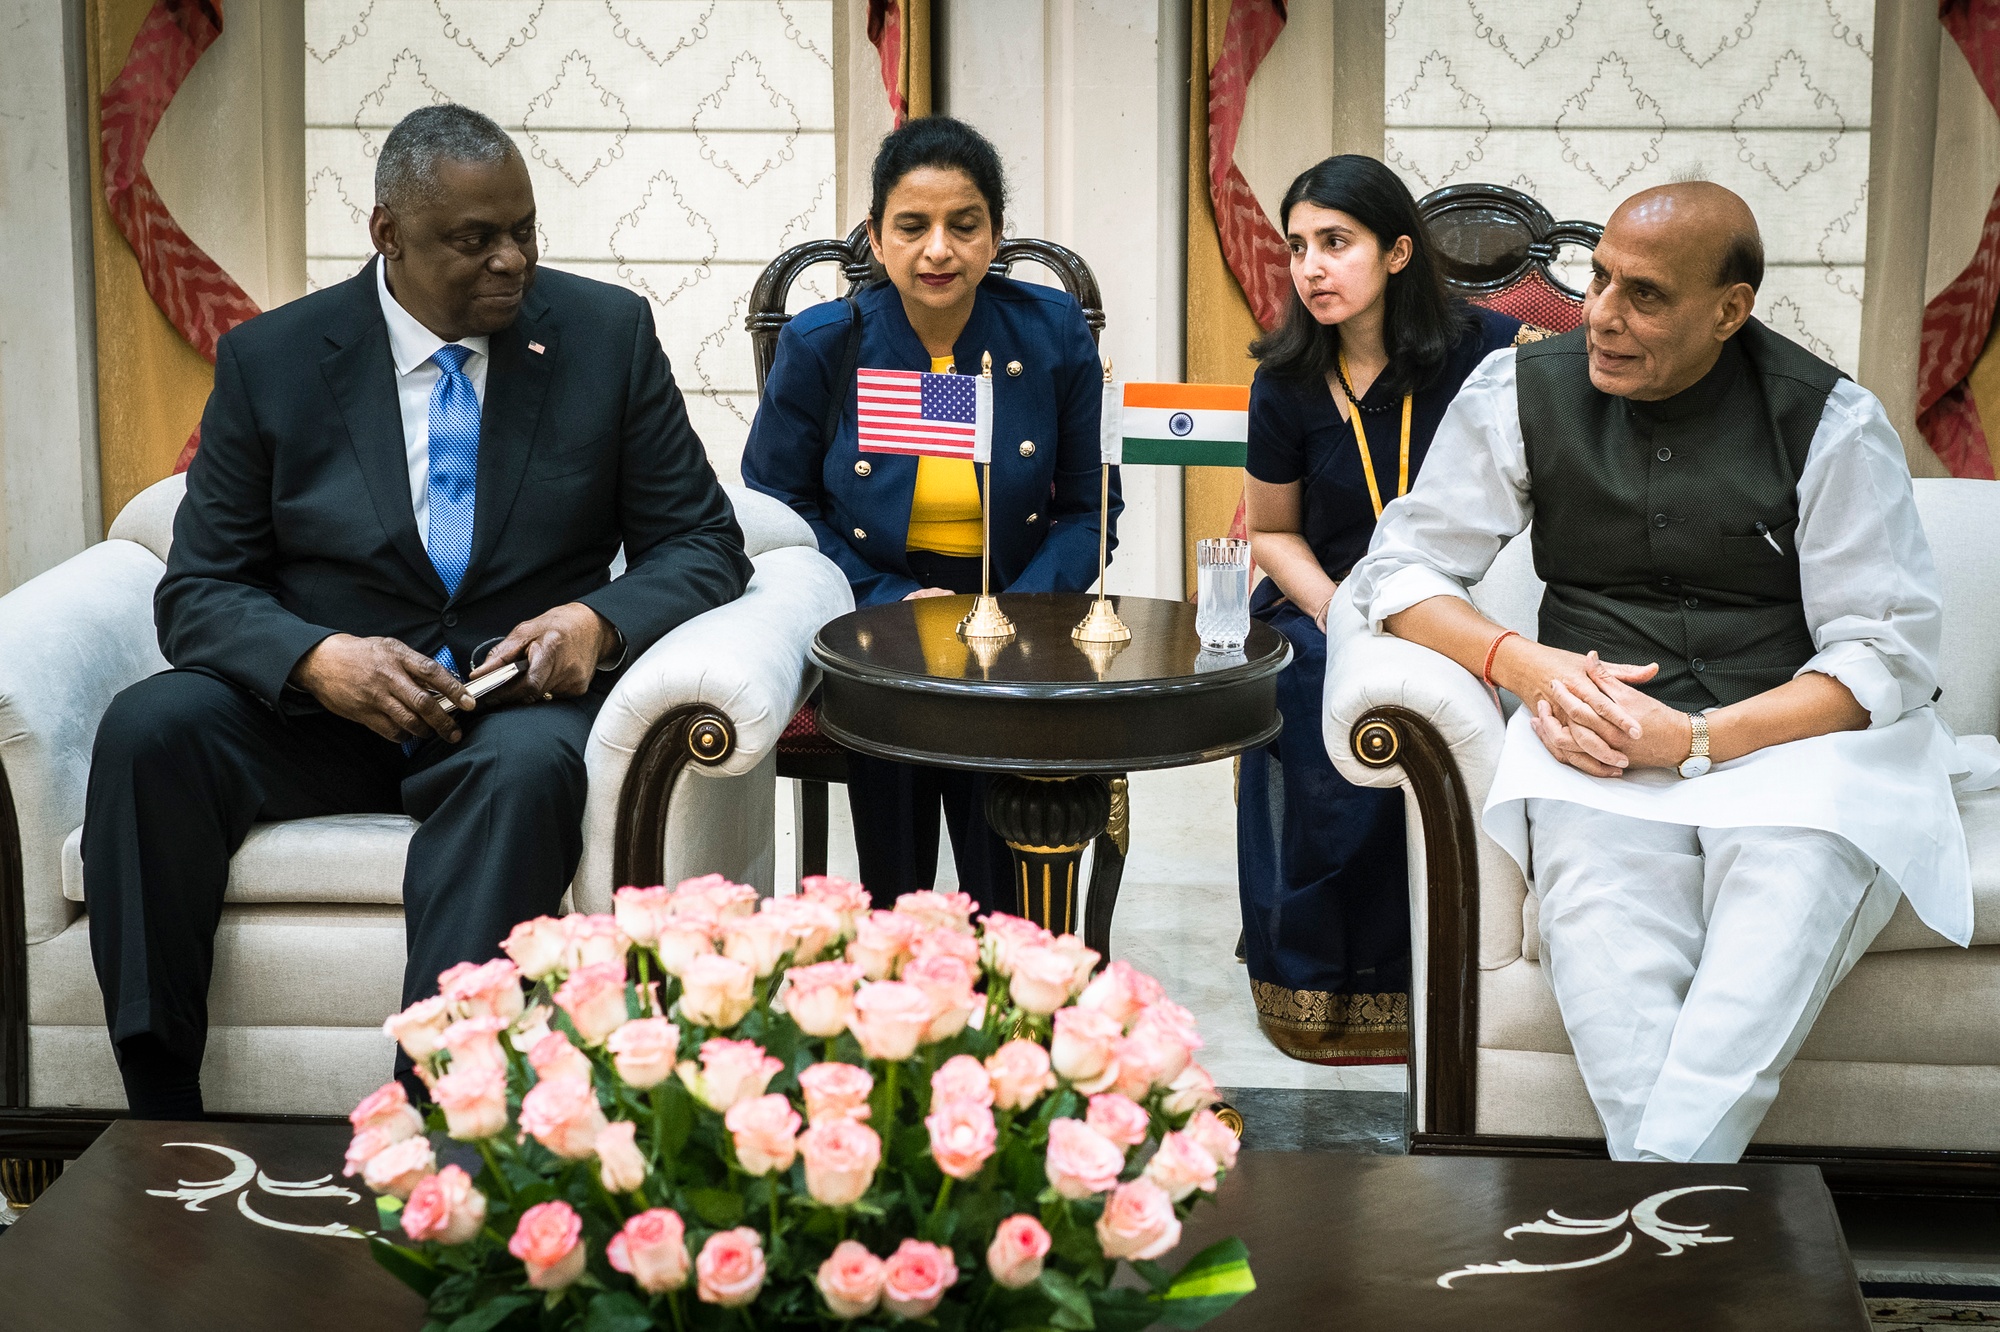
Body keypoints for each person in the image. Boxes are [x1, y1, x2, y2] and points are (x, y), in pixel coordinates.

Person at [83, 104, 752, 1119]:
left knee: (527, 772)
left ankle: (432, 1123)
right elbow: (201, 591)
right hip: (323, 717)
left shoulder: (604, 338)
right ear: (387, 234)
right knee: (149, 729)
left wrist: (594, 624)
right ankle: (159, 1105)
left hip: (509, 715)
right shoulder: (273, 360)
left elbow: (703, 544)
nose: (510, 261)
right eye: (472, 240)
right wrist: (316, 660)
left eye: (523, 230)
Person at [1347, 181, 1992, 1161]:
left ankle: (1650, 1236)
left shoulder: (1828, 422)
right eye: (1597, 279)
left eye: (1642, 295)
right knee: (1605, 950)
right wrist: (1522, 665)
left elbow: (1885, 652)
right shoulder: (1517, 393)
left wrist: (1697, 739)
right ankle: (1689, 1243)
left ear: (1728, 311)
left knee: (1767, 942)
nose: (1599, 315)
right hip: (1597, 752)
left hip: (1800, 751)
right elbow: (1398, 571)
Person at [742, 116, 1118, 911]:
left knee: (1007, 874)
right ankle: (902, 976)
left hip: (1017, 610)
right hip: (875, 612)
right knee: (897, 874)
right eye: (912, 227)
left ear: (995, 238)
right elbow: (777, 512)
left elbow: (1090, 510)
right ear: (876, 239)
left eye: (964, 226)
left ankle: (1015, 980)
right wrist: (883, 601)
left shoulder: (1052, 336)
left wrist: (1010, 611)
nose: (938, 250)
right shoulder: (824, 344)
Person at [1236, 156, 1527, 1063]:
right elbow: (1273, 532)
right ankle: (1318, 984)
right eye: (1297, 248)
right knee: (1317, 692)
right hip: (1323, 602)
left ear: (1398, 253)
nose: (1311, 268)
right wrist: (1338, 613)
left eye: (1336, 243)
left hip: (1467, 604)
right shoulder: (1284, 380)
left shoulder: (1489, 352)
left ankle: (1439, 974)